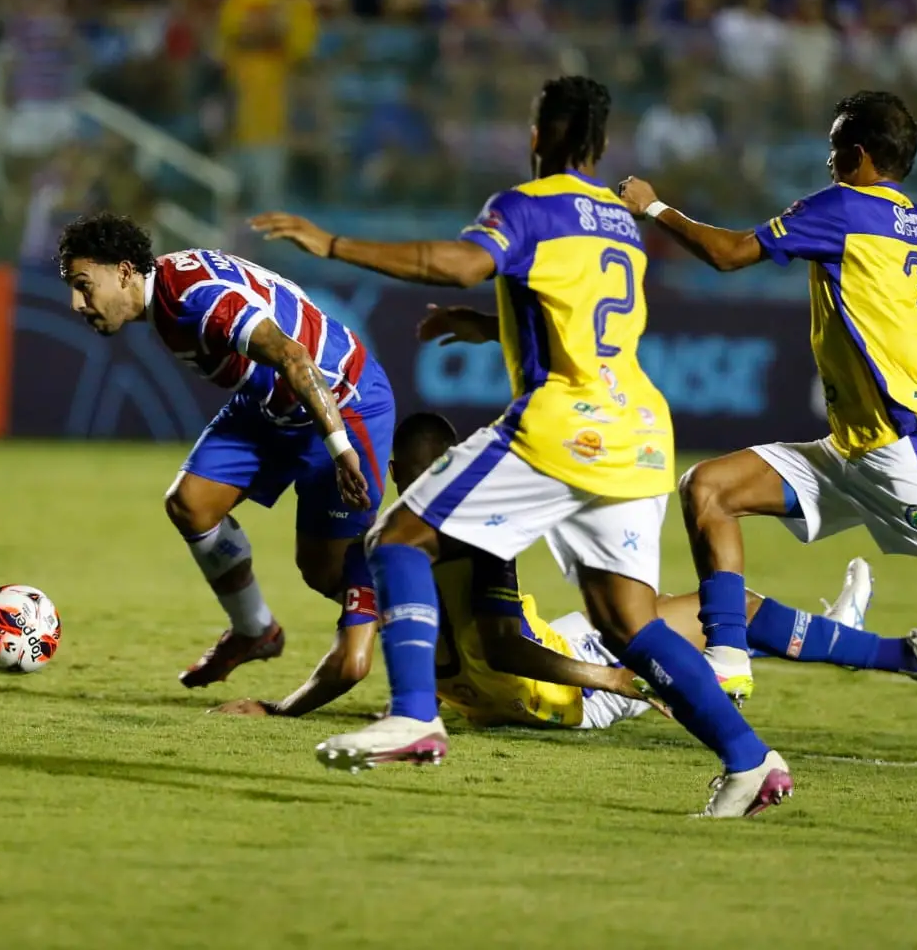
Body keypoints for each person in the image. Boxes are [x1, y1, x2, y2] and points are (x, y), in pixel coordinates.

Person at [253, 75, 794, 818]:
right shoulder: (620, 220)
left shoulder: (524, 204)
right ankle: (750, 760)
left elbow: (459, 263)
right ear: (602, 146)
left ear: (536, 135)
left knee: (398, 537)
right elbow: (576, 308)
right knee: (628, 624)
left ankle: (414, 715)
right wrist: (490, 324)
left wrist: (333, 242)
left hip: (564, 424)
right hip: (639, 432)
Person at [617, 90, 917, 779]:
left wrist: (654, 208)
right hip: (850, 449)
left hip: (903, 452)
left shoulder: (842, 208)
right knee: (710, 487)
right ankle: (728, 653)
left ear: (860, 154)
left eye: (836, 142)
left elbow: (728, 254)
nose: (827, 154)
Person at [215, 411, 917, 729]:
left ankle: (866, 640)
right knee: (719, 612)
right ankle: (896, 651)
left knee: (699, 613)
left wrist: (282, 709)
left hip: (481, 689)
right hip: (555, 689)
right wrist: (611, 678)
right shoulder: (477, 531)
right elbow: (507, 644)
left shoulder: (383, 540)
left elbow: (349, 662)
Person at [55, 213, 394, 693]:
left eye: (83, 285)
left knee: (324, 571)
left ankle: (437, 630)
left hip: (342, 405)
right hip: (269, 404)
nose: (76, 302)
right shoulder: (167, 291)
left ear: (125, 271)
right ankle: (256, 630)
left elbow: (295, 357)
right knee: (190, 503)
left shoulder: (199, 300)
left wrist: (340, 449)